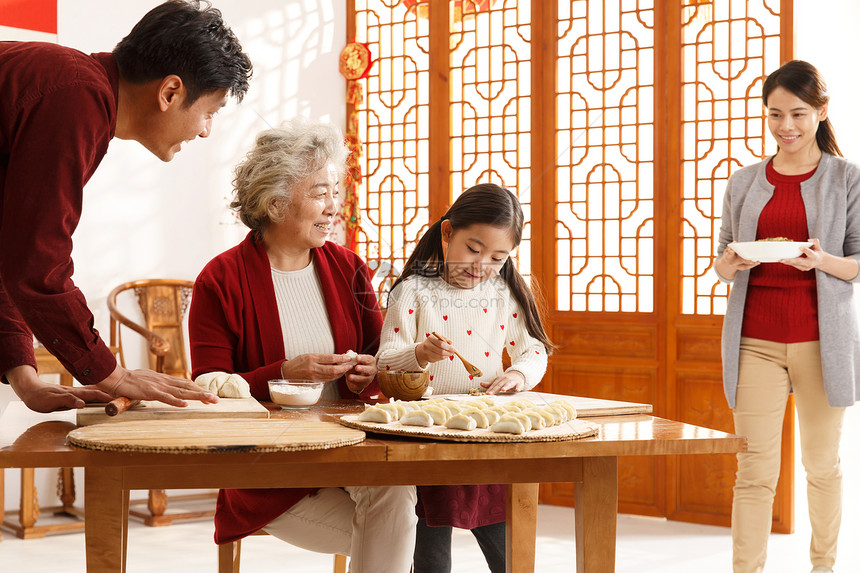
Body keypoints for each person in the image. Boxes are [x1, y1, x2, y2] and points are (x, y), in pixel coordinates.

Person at [0, 0, 252, 413]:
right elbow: (37, 264)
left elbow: (11, 252)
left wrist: (25, 380)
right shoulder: (75, 97)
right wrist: (112, 374)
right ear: (170, 92)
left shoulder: (78, 91)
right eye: (210, 111)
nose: (207, 131)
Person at [188, 119, 417, 572]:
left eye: (337, 192)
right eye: (320, 193)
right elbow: (207, 390)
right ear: (274, 203)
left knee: (396, 495)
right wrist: (282, 374)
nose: (335, 207)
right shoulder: (221, 278)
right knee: (396, 530)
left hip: (350, 449)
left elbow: (383, 355)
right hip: (270, 470)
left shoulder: (349, 267)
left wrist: (371, 369)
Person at [714, 60, 860, 573]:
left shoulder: (847, 178)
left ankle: (824, 567)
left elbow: (858, 263)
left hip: (823, 341)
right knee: (754, 470)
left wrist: (820, 260)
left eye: (798, 113)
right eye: (774, 114)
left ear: (821, 112)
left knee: (822, 467)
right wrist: (730, 263)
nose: (786, 126)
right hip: (754, 339)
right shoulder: (744, 181)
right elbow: (722, 263)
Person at [376, 183, 552, 573]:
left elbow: (534, 350)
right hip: (425, 438)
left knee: (508, 551)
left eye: (498, 257)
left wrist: (518, 375)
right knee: (430, 555)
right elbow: (383, 363)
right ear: (447, 232)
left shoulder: (503, 293)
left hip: (485, 435)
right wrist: (419, 354)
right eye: (473, 249)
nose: (482, 265)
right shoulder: (412, 292)